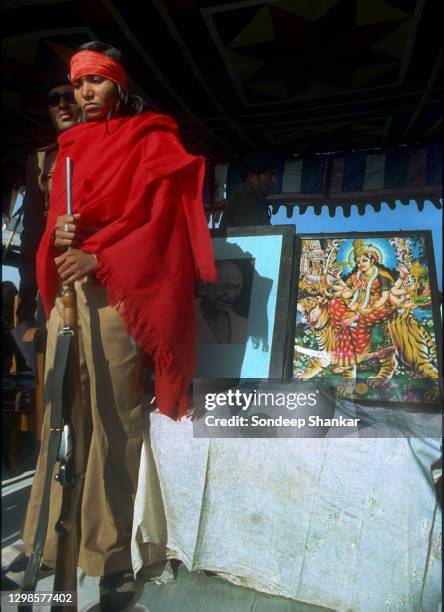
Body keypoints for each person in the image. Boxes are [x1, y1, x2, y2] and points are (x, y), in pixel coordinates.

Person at [3, 41, 216, 611]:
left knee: (113, 425)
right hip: (67, 298)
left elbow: (162, 223)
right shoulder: (69, 148)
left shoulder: (151, 138)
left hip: (118, 301)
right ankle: (41, 544)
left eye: (95, 82)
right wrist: (61, 240)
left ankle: (111, 557)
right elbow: (52, 231)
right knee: (58, 418)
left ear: (118, 84)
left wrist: (99, 258)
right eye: (78, 85)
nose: (85, 94)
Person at [16, 73, 80, 325]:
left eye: (68, 97)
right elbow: (31, 234)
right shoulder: (41, 161)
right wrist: (26, 303)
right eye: (54, 100)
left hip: (101, 275)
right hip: (54, 280)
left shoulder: (113, 149)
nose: (62, 105)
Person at [219, 152, 277, 228]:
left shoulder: (252, 199)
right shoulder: (245, 199)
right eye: (270, 175)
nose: (274, 181)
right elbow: (255, 235)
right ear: (252, 176)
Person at [196, 260, 248, 343]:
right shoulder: (183, 317)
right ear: (203, 287)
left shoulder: (244, 326)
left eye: (237, 288)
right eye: (226, 286)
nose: (232, 295)